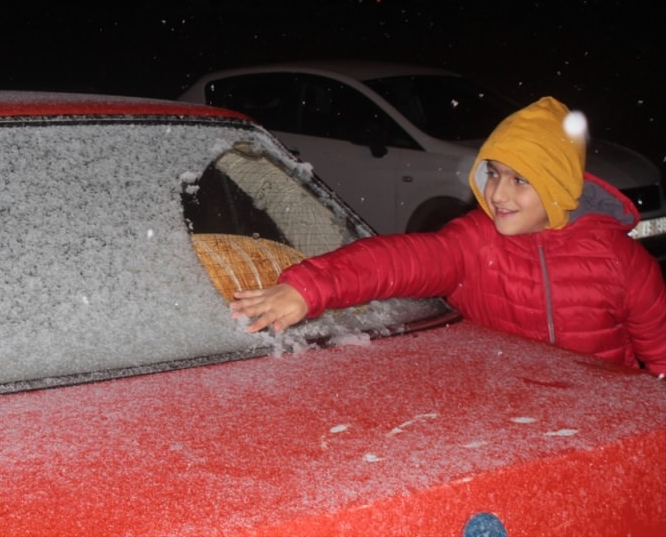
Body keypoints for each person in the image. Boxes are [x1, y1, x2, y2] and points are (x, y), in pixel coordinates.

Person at [231, 96, 666, 375]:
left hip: (604, 430)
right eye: (494, 173)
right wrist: (309, 288)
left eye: (520, 180)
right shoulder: (474, 244)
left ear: (558, 187)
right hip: (512, 425)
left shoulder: (621, 261)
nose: (497, 193)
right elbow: (395, 261)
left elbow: (661, 357)